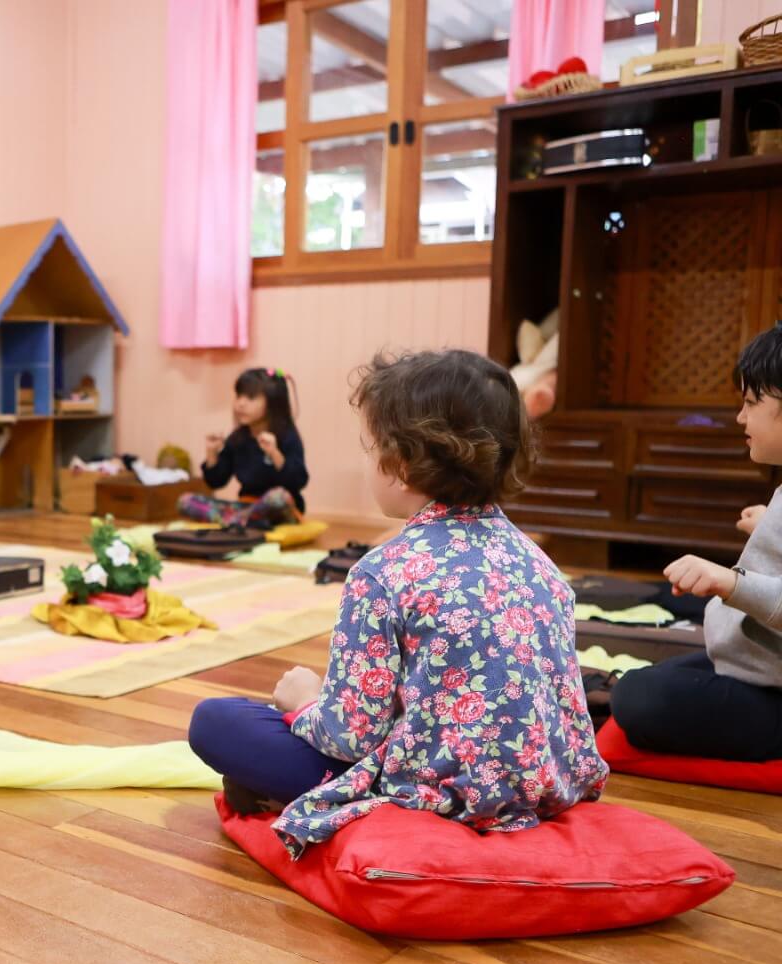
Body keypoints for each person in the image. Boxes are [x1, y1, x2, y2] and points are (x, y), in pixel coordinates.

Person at [188, 349, 608, 856]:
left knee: (215, 720)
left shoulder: (381, 573)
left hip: (434, 793)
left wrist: (304, 704)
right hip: (544, 787)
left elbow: (351, 738)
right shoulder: (546, 567)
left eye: (370, 448)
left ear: (402, 465)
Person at [611, 324, 782, 761]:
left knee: (640, 698)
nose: (741, 418)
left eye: (750, 403)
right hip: (756, 664)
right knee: (643, 681)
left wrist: (729, 582)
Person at [177, 367, 309, 529]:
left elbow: (299, 481)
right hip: (246, 507)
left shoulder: (286, 435)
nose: (240, 403)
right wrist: (212, 453)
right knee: (186, 501)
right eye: (239, 396)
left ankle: (235, 521)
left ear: (273, 401)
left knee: (278, 498)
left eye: (251, 397)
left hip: (278, 508)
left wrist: (274, 454)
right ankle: (244, 520)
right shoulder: (238, 438)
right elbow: (216, 482)